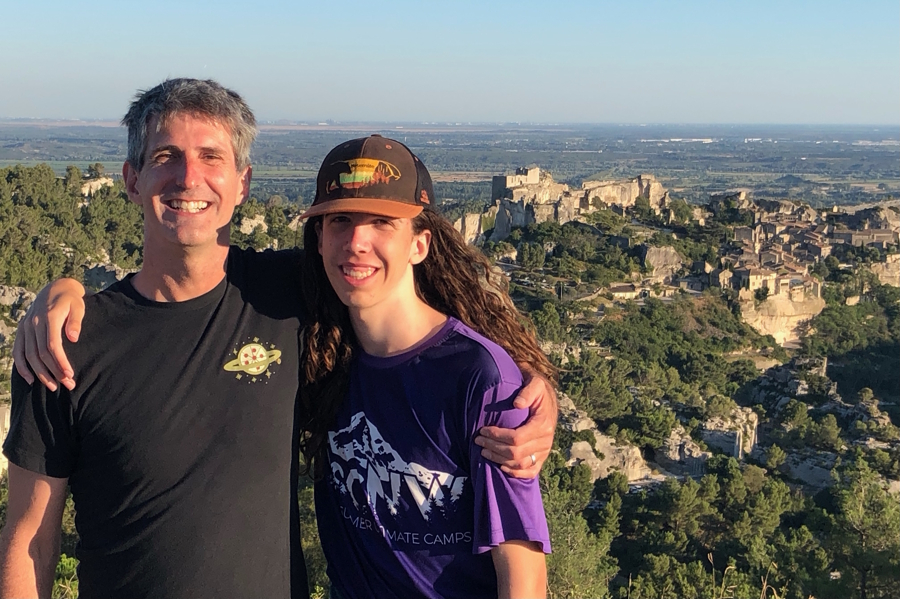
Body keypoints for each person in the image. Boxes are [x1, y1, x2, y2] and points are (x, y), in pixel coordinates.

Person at [3, 79, 557, 598]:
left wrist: (527, 385)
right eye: (166, 156)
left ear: (242, 183)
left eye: (211, 157)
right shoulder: (67, 343)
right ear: (131, 179)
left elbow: (426, 313)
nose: (189, 177)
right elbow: (30, 540)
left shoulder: (287, 295)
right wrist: (60, 288)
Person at [297, 136, 552, 599]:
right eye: (340, 220)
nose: (356, 242)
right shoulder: (318, 351)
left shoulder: (477, 377)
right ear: (319, 240)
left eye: (381, 222)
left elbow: (523, 572)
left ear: (419, 245)